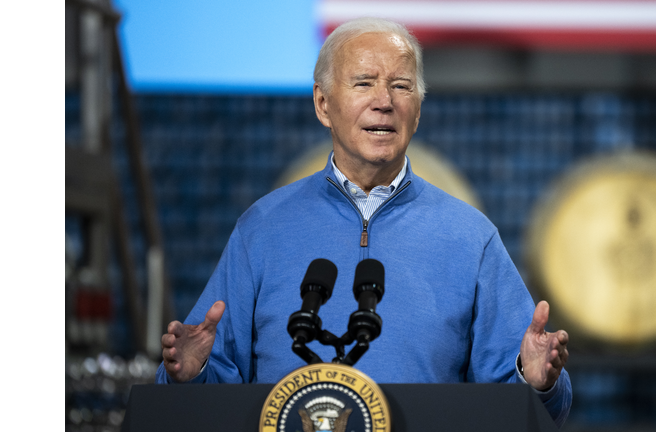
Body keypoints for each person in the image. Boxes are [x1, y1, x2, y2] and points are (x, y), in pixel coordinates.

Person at [156, 17, 572, 427]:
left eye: (401, 86)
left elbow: (536, 407)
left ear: (419, 109)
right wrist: (189, 374)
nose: (384, 101)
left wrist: (537, 382)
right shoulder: (261, 228)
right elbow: (202, 396)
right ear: (323, 104)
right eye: (364, 83)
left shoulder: (471, 236)